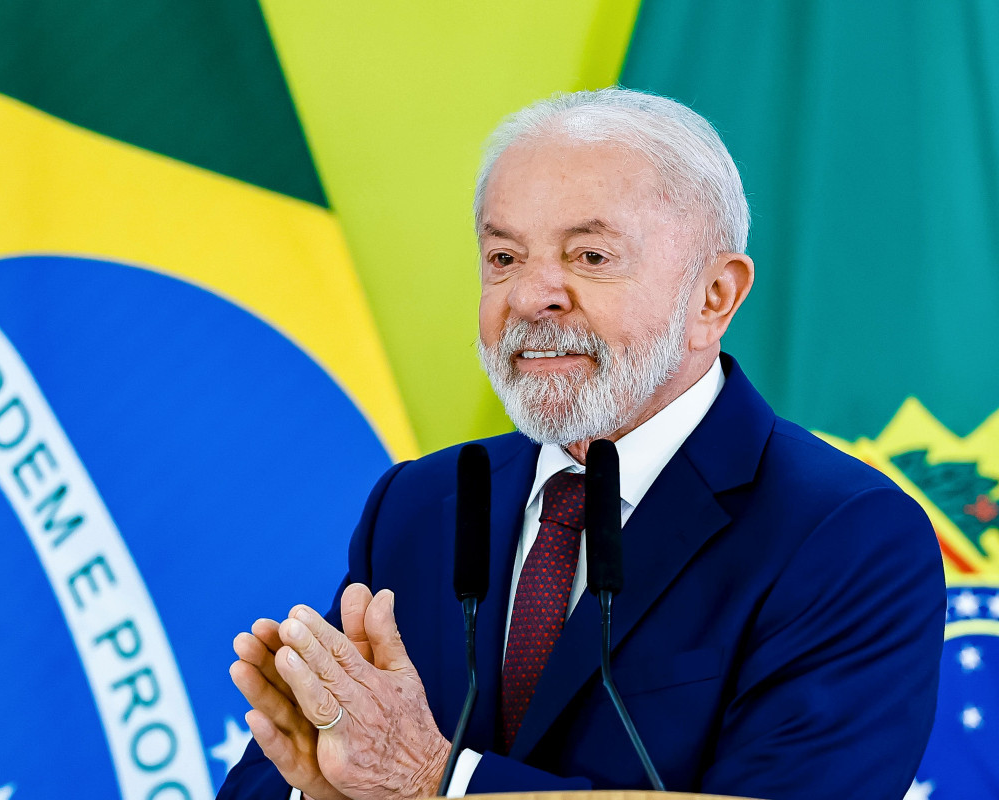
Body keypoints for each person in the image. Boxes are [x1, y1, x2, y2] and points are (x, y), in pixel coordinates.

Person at [218, 88, 945, 799]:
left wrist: (436, 783)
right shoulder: (421, 504)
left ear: (714, 296)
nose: (532, 296)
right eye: (503, 259)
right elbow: (287, 772)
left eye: (590, 257)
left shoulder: (845, 534)